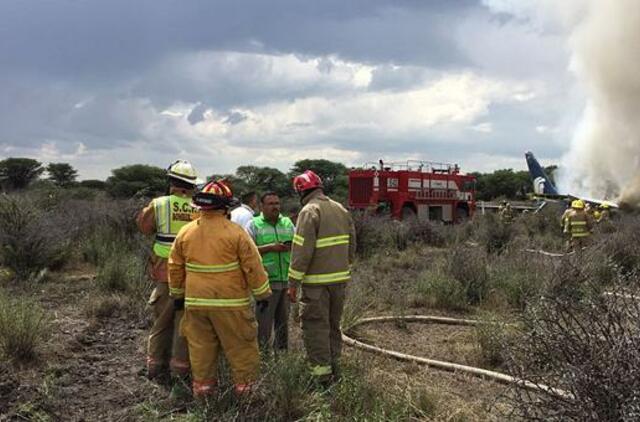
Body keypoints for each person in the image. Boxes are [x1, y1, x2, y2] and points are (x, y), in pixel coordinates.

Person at [168, 180, 271, 400]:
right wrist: (262, 294)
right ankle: (247, 398)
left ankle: (204, 398)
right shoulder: (236, 233)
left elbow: (174, 267)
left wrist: (177, 296)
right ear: (225, 206)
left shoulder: (185, 233)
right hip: (231, 307)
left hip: (195, 305)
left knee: (201, 352)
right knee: (242, 350)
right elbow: (253, 266)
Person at [136, 160, 201, 389]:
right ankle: (180, 371)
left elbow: (144, 227)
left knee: (162, 322)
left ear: (171, 182)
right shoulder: (199, 208)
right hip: (191, 276)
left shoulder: (159, 204)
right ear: (192, 184)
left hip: (164, 273)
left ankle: (155, 368)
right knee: (183, 324)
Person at [287, 170, 356, 385]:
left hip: (316, 286)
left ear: (300, 191)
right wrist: (344, 265)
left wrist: (292, 284)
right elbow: (352, 244)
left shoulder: (309, 211)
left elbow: (301, 252)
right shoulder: (340, 209)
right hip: (339, 283)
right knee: (334, 327)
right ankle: (335, 369)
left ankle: (321, 379)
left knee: (316, 329)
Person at [245, 192, 295, 351]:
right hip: (265, 285)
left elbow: (299, 245)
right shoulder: (253, 225)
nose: (275, 207)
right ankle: (263, 358)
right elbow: (247, 252)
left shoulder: (287, 223)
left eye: (277, 203)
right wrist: (271, 248)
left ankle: (282, 358)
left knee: (283, 325)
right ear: (261, 206)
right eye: (271, 204)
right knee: (263, 326)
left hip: (285, 282)